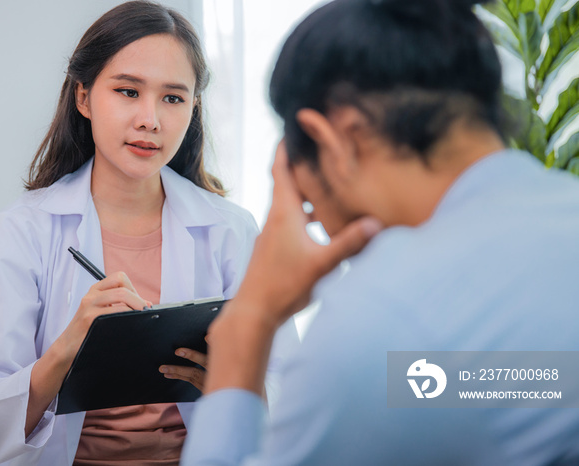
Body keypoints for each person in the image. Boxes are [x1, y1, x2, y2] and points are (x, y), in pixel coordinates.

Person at [181, 0, 579, 464]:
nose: (314, 222)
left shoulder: (383, 322)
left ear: (335, 139)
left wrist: (247, 323)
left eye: (305, 201)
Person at [0, 2, 297, 465]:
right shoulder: (23, 230)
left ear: (193, 109)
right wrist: (69, 347)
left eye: (173, 98)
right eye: (128, 91)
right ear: (84, 97)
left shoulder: (230, 230)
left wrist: (235, 387)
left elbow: (290, 389)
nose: (150, 119)